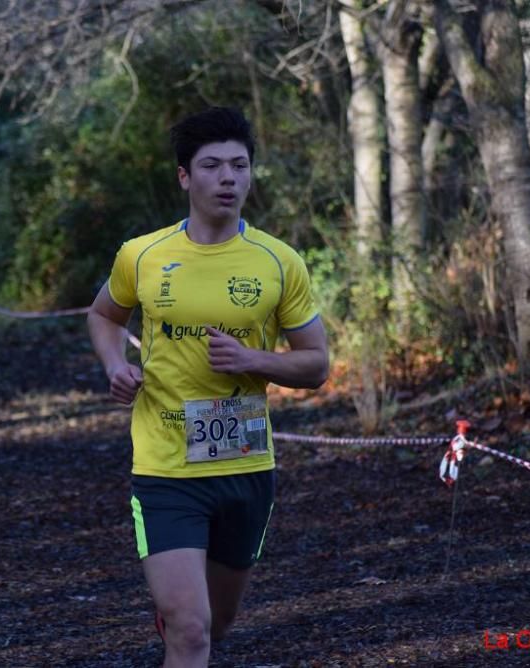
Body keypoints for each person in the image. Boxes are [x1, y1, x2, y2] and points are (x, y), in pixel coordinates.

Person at [86, 107, 329, 667]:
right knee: (191, 633)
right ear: (184, 177)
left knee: (217, 625)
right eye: (212, 165)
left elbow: (316, 365)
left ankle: (180, 618)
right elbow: (104, 316)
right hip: (166, 469)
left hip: (245, 467)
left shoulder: (279, 261)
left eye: (239, 166)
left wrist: (253, 359)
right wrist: (113, 365)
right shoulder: (142, 255)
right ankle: (179, 622)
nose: (228, 178)